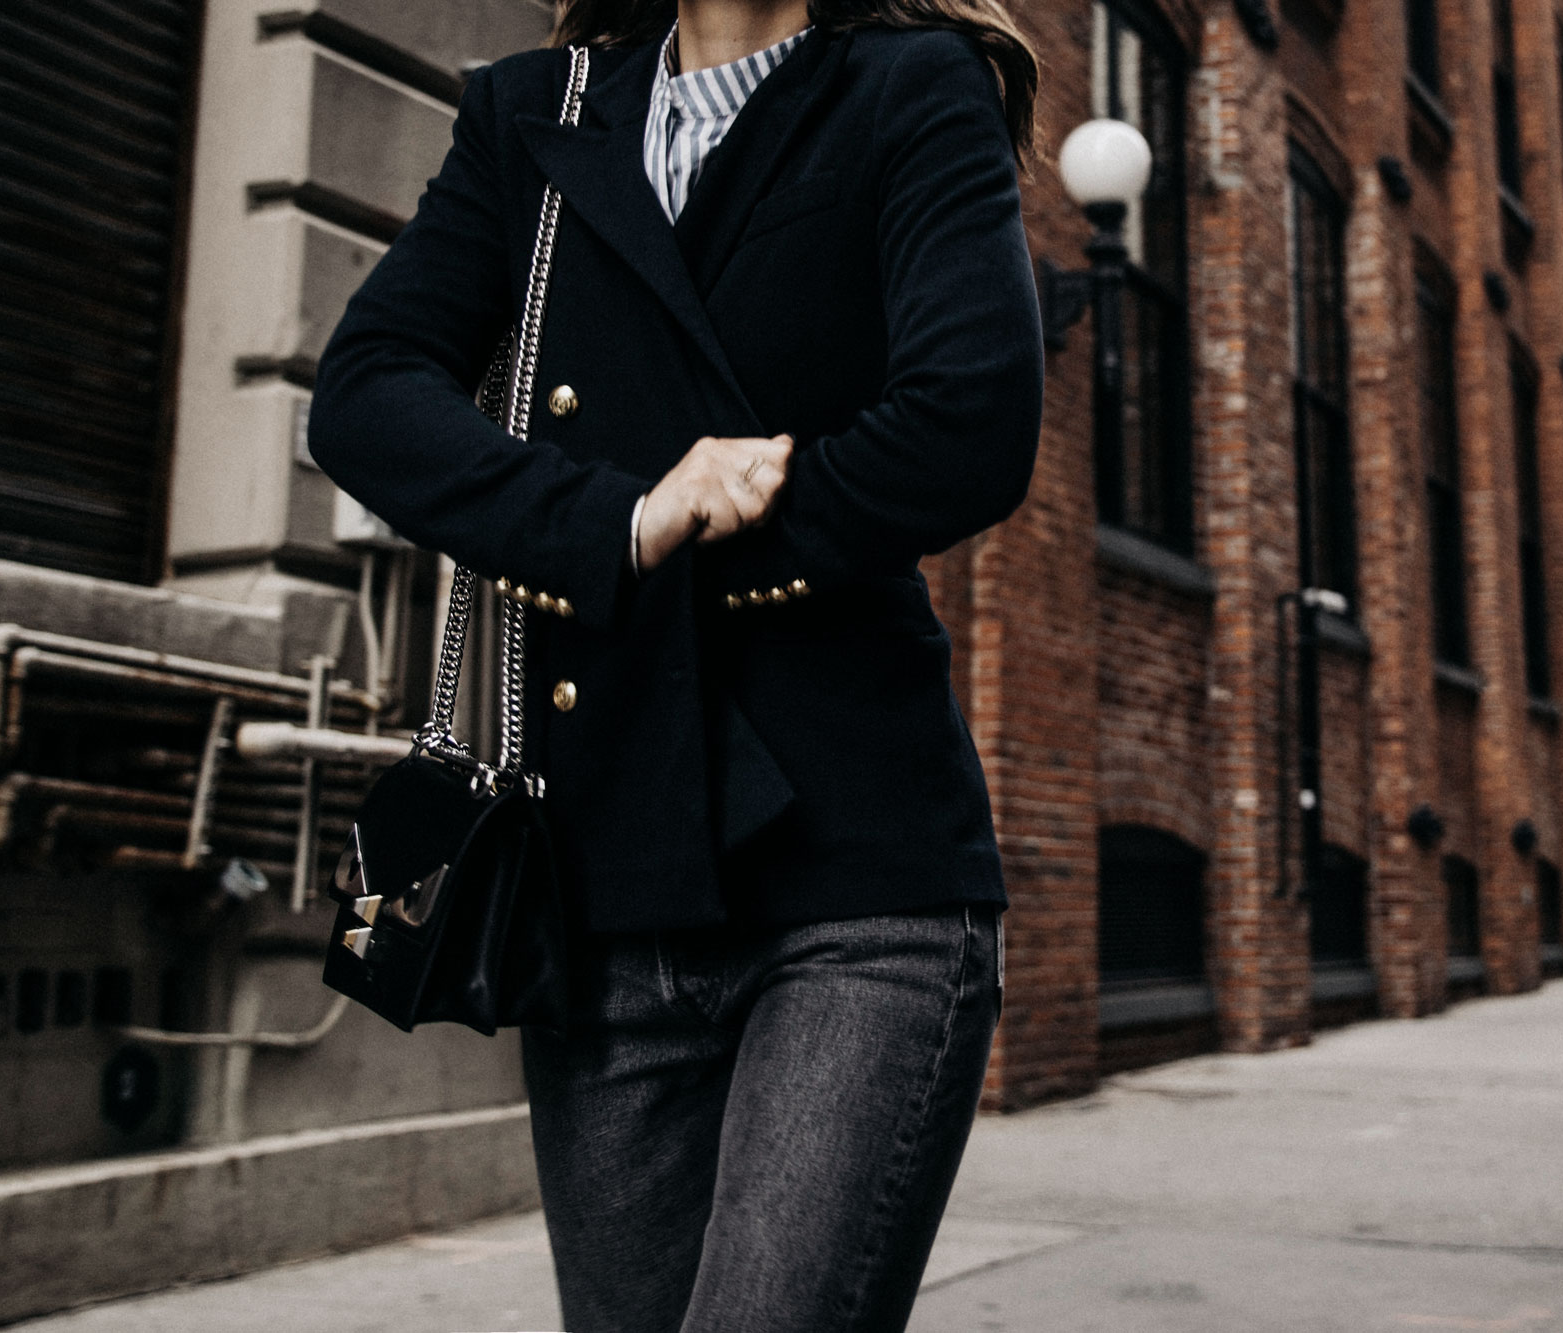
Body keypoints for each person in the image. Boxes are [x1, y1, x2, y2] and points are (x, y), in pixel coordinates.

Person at [307, 0, 1044, 1327]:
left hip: (854, 879)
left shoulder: (910, 87)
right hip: (607, 887)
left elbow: (970, 422)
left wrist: (713, 547)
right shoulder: (534, 108)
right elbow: (366, 391)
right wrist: (629, 522)